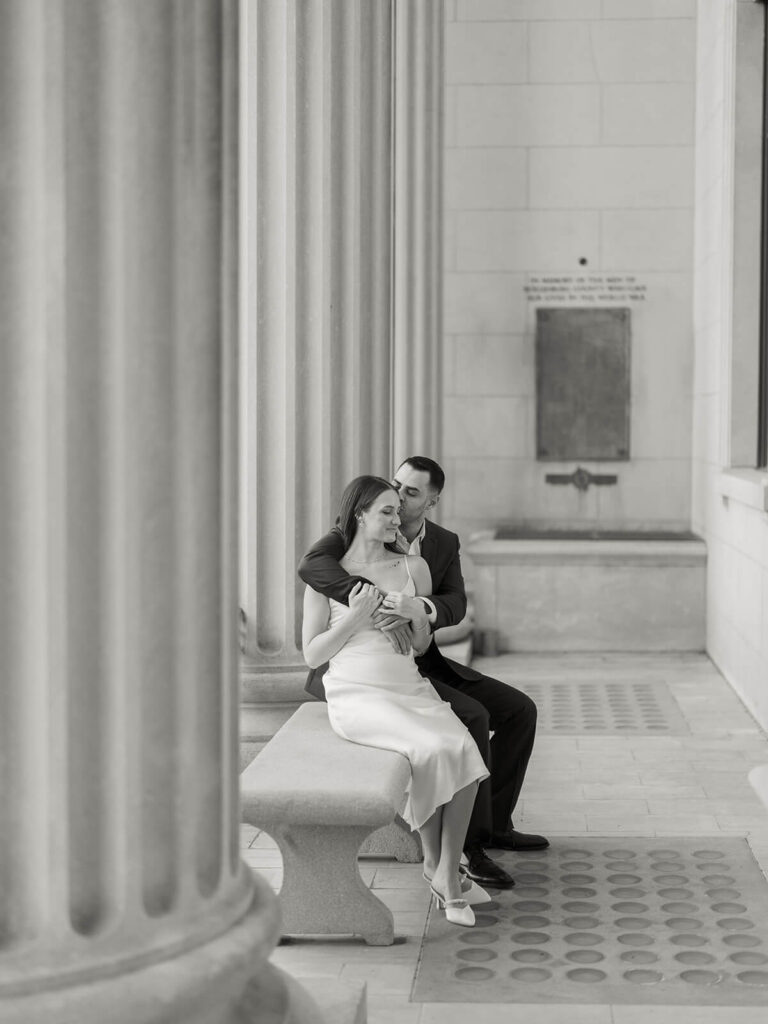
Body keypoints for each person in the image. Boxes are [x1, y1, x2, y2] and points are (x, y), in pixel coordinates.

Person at [299, 456, 548, 890]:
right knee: (472, 719)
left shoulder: (439, 546)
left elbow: (455, 605)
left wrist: (419, 610)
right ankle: (468, 849)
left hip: (422, 660)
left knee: (519, 710)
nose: (399, 501)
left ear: (430, 502)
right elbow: (310, 570)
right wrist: (374, 607)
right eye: (395, 490)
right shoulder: (340, 542)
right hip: (365, 674)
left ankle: (495, 825)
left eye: (409, 495)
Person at [301, 476, 490, 927]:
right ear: (360, 514)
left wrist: (413, 615)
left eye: (396, 510)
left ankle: (443, 869)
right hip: (357, 693)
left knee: (462, 747)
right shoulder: (327, 578)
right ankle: (438, 870)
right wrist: (358, 618)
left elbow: (422, 648)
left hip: (407, 686)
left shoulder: (414, 568)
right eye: (385, 511)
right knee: (428, 749)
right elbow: (312, 654)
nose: (396, 518)